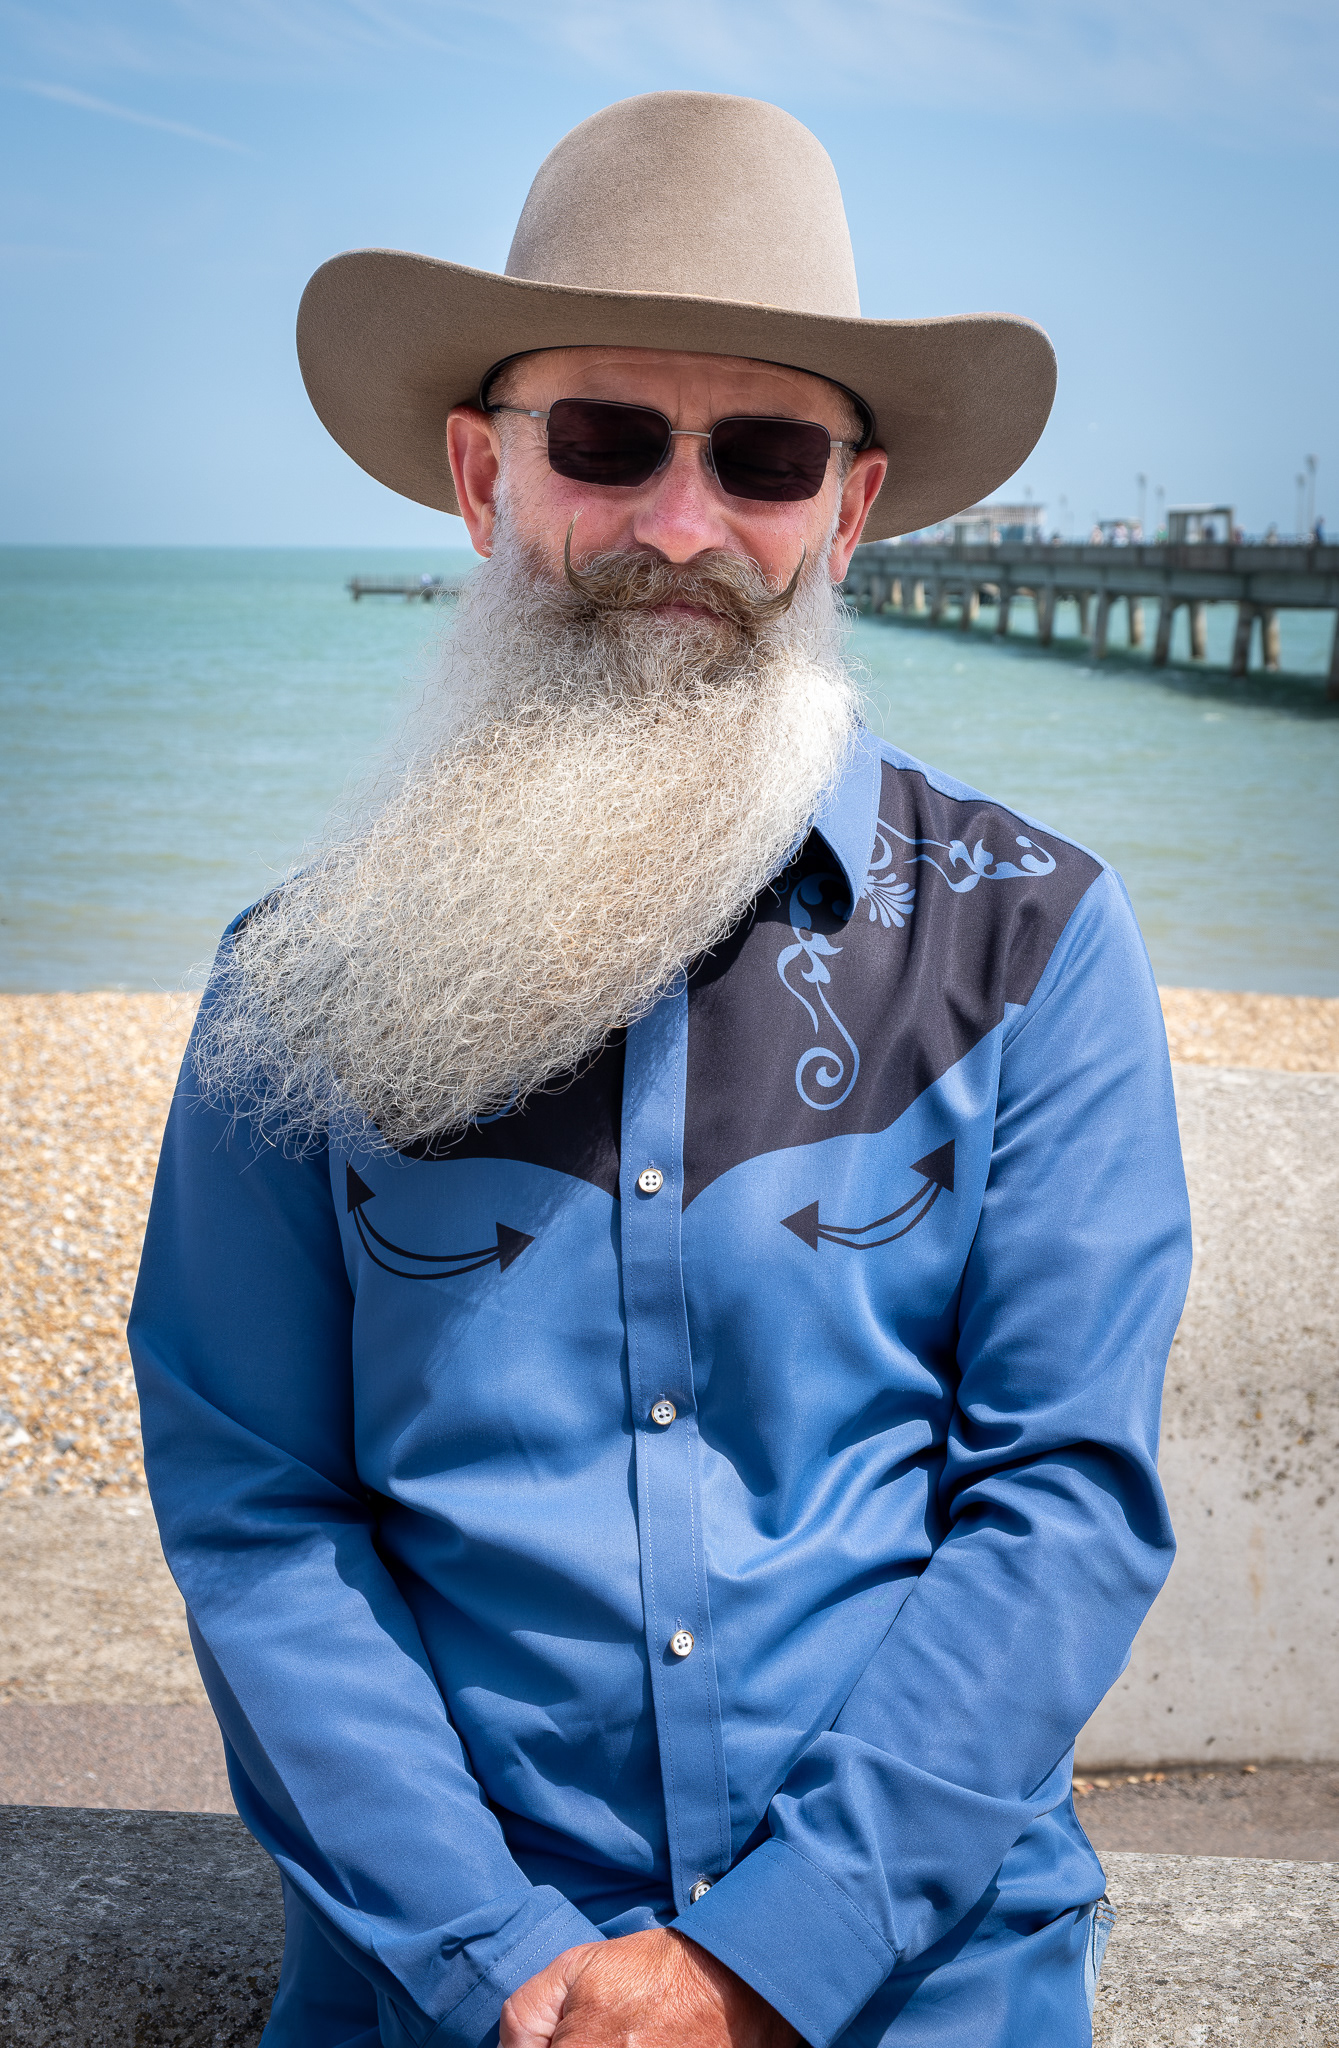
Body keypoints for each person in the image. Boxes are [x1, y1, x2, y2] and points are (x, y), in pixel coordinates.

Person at [129, 92, 1191, 2048]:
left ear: (850, 505)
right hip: (443, 1998)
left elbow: (1059, 1501)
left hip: (923, 1987)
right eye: (608, 441)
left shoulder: (1034, 943)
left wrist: (750, 1966)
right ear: (480, 472)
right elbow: (259, 1509)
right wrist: (493, 1958)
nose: (681, 526)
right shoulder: (297, 989)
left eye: (763, 454)